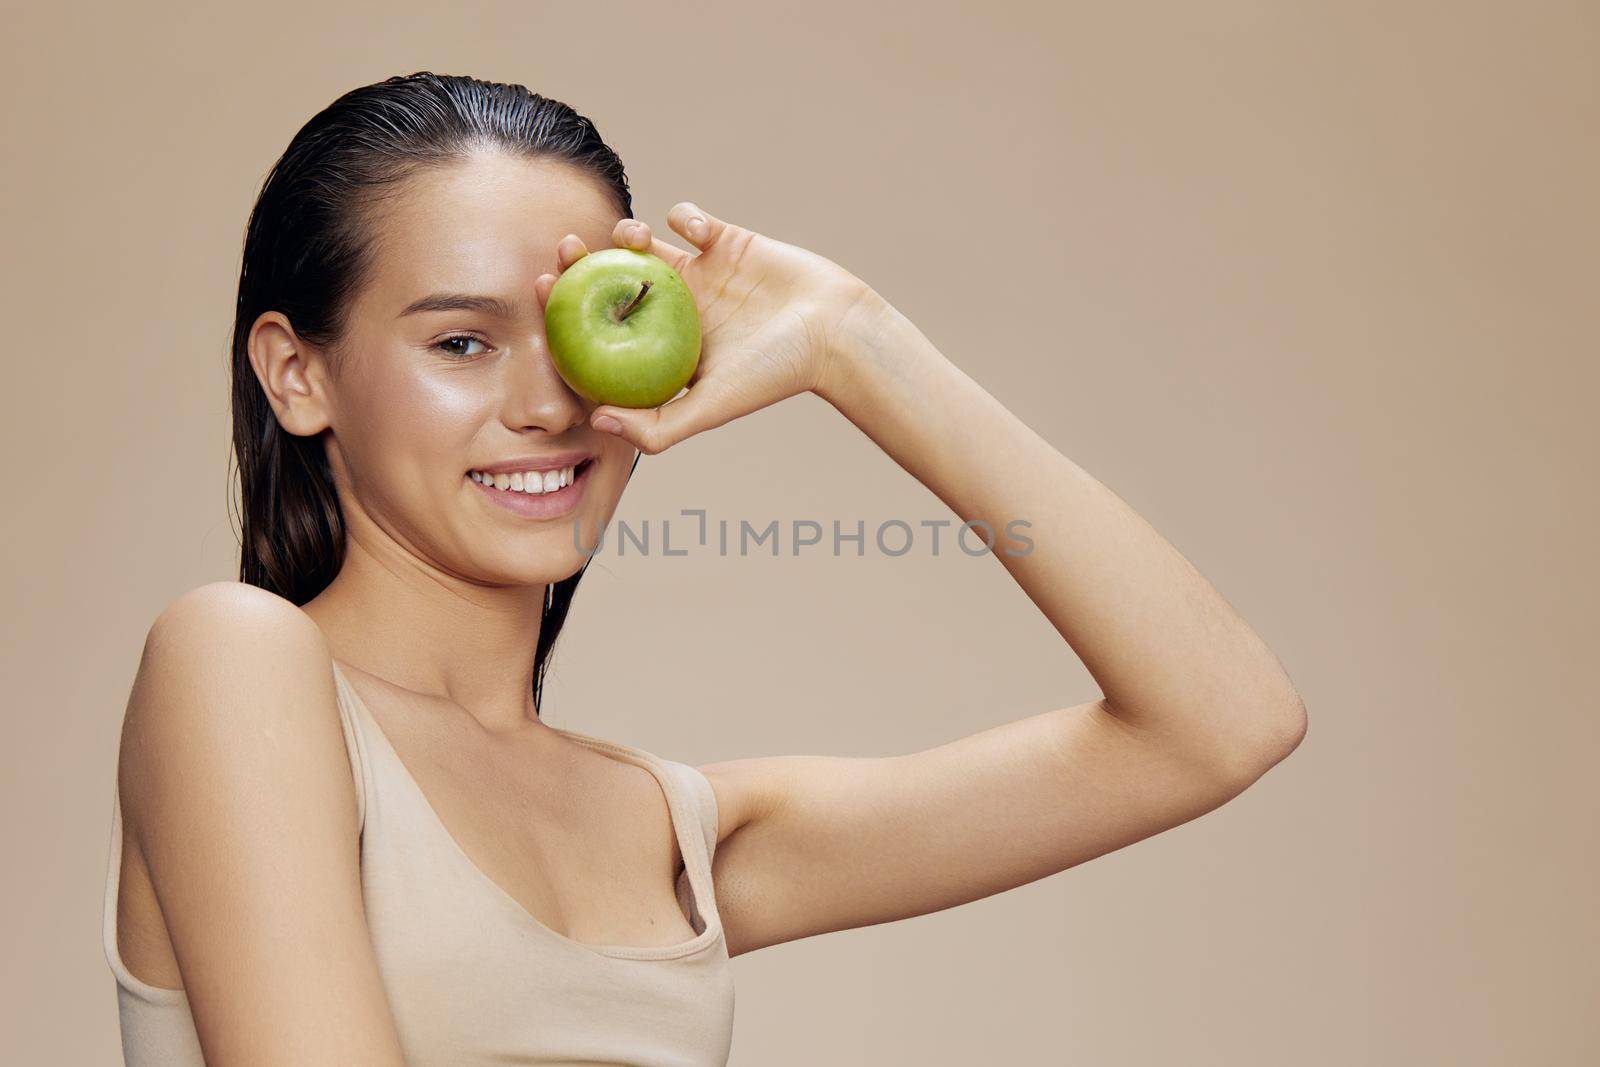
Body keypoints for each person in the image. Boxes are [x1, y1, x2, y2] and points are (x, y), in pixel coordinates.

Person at [101, 71, 1307, 1066]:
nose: (546, 405)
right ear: (295, 372)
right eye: (461, 341)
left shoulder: (674, 832)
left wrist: (852, 338)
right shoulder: (239, 661)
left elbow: (1220, 720)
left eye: (586, 329)